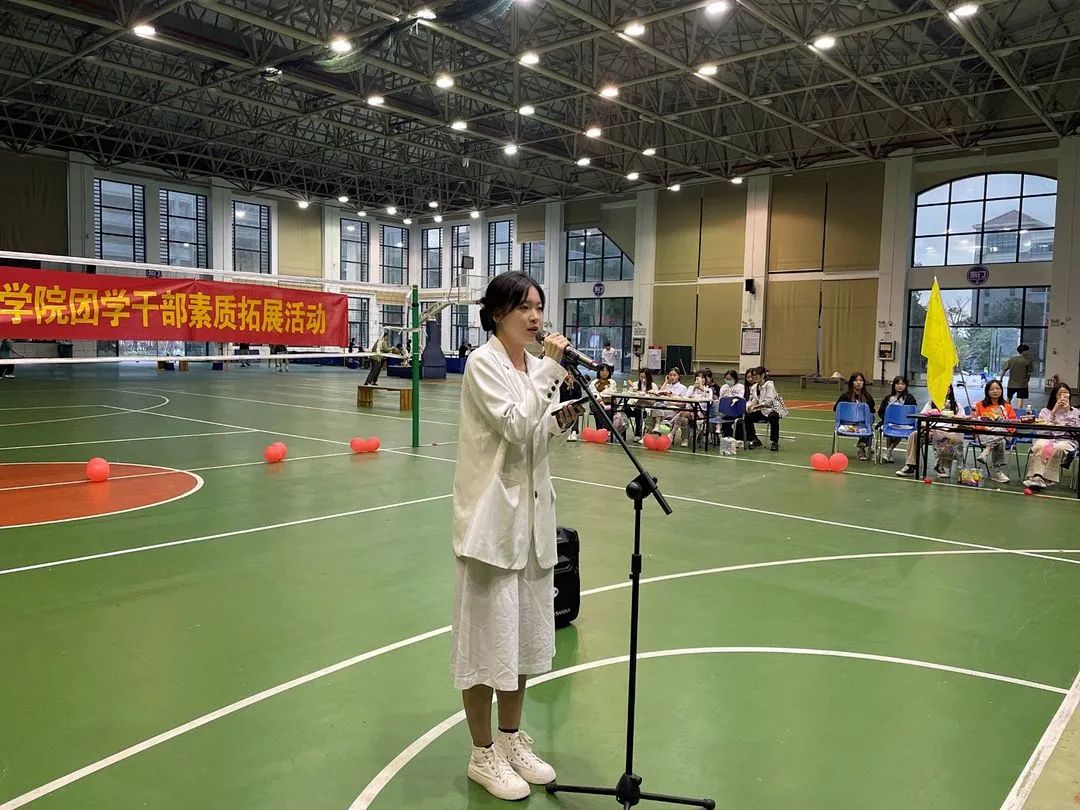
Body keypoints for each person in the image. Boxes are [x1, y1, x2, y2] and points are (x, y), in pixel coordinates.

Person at [451, 272, 586, 801]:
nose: (535, 317)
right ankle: (482, 752)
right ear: (496, 314)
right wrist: (551, 371)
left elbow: (531, 439)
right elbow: (511, 424)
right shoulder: (482, 364)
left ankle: (510, 739)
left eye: (539, 307)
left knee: (522, 640)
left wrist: (561, 420)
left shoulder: (532, 367)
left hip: (531, 524)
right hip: (491, 526)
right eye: (524, 307)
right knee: (485, 642)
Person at [896, 386, 965, 478]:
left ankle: (940, 466)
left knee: (950, 438)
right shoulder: (930, 404)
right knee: (914, 435)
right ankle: (911, 466)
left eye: (947, 387)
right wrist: (926, 425)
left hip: (947, 433)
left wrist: (953, 427)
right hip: (931, 431)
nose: (944, 389)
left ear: (950, 390)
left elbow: (961, 421)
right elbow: (922, 417)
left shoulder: (957, 406)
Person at [1023, 383, 1080, 490]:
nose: (1063, 397)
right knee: (1040, 445)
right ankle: (1036, 476)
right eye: (1060, 394)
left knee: (1059, 447)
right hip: (1047, 438)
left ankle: (1046, 478)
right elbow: (1042, 431)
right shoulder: (1045, 411)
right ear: (1054, 396)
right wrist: (1053, 412)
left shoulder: (1076, 412)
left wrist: (1067, 412)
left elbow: (1076, 431)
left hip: (1067, 440)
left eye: (1066, 394)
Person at [973, 379, 1017, 483]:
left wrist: (1002, 424)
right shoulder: (979, 405)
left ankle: (987, 450)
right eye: (992, 389)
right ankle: (996, 471)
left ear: (1001, 390)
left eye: (998, 388)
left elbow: (1013, 424)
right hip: (984, 434)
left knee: (1000, 431)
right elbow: (974, 423)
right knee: (1000, 442)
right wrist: (986, 428)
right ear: (987, 391)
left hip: (1004, 433)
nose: (995, 391)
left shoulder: (1007, 406)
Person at [834, 372, 875, 461]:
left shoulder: (868, 397)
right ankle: (862, 447)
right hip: (847, 424)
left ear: (863, 383)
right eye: (856, 380)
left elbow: (872, 411)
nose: (858, 382)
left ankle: (862, 445)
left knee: (870, 418)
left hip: (862, 423)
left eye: (861, 380)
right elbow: (836, 409)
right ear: (852, 382)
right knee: (869, 423)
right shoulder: (845, 396)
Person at [875, 376, 917, 463]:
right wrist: (886, 419)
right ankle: (888, 455)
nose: (900, 386)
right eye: (898, 383)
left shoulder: (910, 398)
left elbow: (913, 411)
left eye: (902, 384)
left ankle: (888, 451)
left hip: (905, 424)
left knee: (900, 430)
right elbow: (882, 411)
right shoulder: (888, 398)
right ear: (894, 385)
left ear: (906, 385)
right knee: (889, 428)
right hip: (890, 423)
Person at [745, 367, 784, 451]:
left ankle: (775, 442)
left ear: (762, 375)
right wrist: (750, 406)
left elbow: (768, 402)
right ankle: (754, 439)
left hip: (773, 409)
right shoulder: (754, 387)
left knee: (773, 417)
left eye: (756, 375)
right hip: (762, 410)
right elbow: (754, 400)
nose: (754, 377)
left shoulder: (769, 385)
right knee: (747, 417)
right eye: (753, 375)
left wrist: (755, 407)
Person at [1001, 344, 1035, 410]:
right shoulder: (1027, 361)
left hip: (1011, 383)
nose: (1028, 352)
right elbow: (1029, 373)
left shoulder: (1011, 360)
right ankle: (1019, 411)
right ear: (1024, 351)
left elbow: (1003, 370)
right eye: (1027, 350)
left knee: (1009, 398)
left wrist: (1001, 378)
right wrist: (1027, 380)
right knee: (1020, 398)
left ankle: (1006, 410)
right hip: (1022, 384)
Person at [559, 369, 583, 441]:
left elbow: (578, 397)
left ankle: (574, 431)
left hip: (573, 404)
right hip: (562, 404)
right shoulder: (560, 385)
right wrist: (567, 389)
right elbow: (560, 397)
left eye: (571, 374)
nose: (570, 376)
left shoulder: (577, 385)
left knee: (575, 410)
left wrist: (572, 388)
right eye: (568, 374)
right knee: (566, 410)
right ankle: (566, 431)